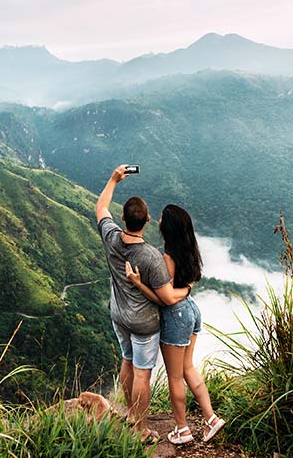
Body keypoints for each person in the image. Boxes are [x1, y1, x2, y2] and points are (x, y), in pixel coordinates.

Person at [95, 166, 189, 442]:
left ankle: (131, 415)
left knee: (127, 360)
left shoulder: (111, 237)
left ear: (122, 218)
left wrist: (113, 179)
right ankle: (141, 429)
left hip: (118, 315)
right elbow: (169, 297)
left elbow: (101, 207)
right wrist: (187, 288)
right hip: (144, 323)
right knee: (142, 375)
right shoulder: (151, 257)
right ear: (147, 220)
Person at [125, 204, 226, 445]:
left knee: (174, 377)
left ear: (167, 227)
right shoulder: (190, 250)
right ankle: (211, 418)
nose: (157, 220)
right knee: (188, 368)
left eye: (161, 218)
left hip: (175, 317)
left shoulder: (167, 258)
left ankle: (182, 429)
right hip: (191, 310)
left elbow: (165, 298)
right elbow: (186, 286)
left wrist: (138, 283)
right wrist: (188, 289)